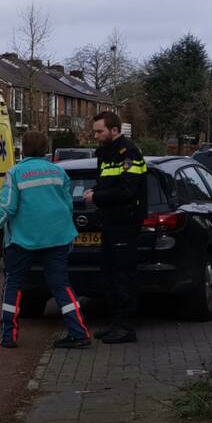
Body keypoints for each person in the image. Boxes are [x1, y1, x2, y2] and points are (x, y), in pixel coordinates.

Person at [0, 131, 90, 349]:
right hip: (58, 237)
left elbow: (8, 207)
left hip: (23, 239)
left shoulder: (16, 173)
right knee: (61, 285)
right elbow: (68, 205)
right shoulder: (59, 172)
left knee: (13, 284)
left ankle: (9, 336)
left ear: (25, 148)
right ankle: (79, 333)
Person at [83, 111, 147, 344]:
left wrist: (97, 196)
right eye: (95, 131)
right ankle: (116, 323)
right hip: (110, 222)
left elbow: (128, 190)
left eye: (100, 131)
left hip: (125, 222)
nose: (96, 135)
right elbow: (107, 182)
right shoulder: (105, 153)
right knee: (109, 274)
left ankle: (126, 327)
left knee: (123, 275)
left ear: (115, 130)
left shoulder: (128, 152)